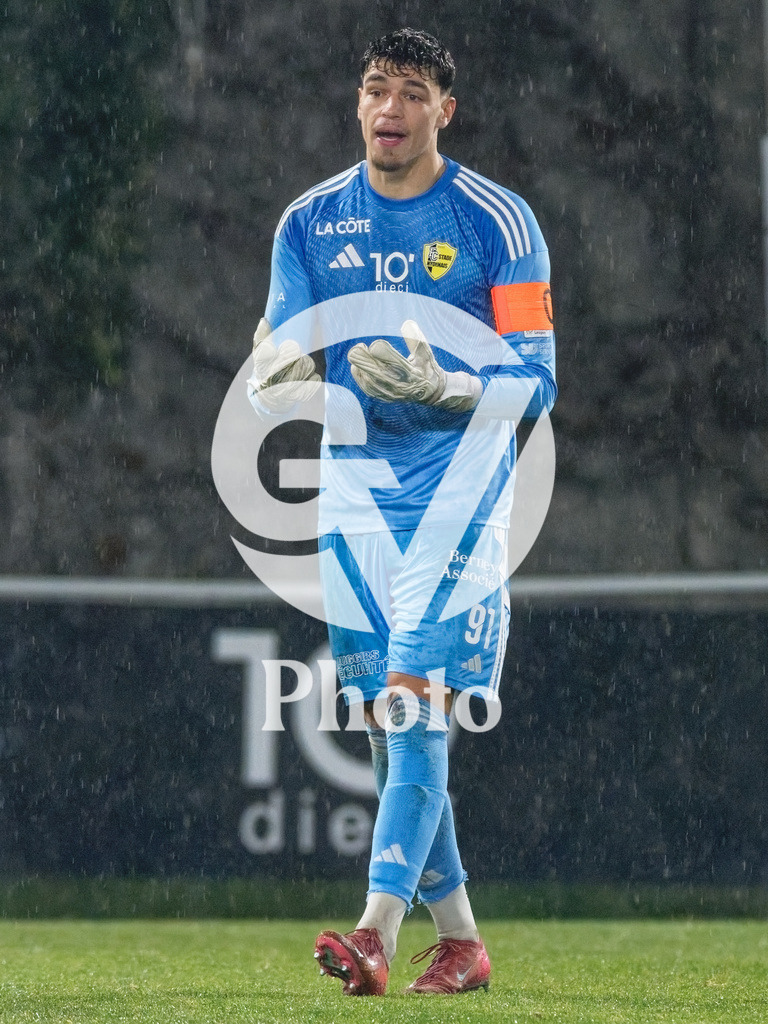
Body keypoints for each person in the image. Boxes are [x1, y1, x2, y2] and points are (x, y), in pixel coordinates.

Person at [247, 28, 556, 996]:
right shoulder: (309, 222)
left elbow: (537, 378)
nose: (391, 108)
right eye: (377, 89)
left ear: (444, 110)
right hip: (354, 498)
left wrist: (452, 385)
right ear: (357, 103)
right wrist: (277, 369)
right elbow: (279, 346)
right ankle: (460, 943)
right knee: (389, 729)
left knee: (415, 712)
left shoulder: (498, 223)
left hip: (459, 494)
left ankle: (373, 932)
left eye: (412, 92)